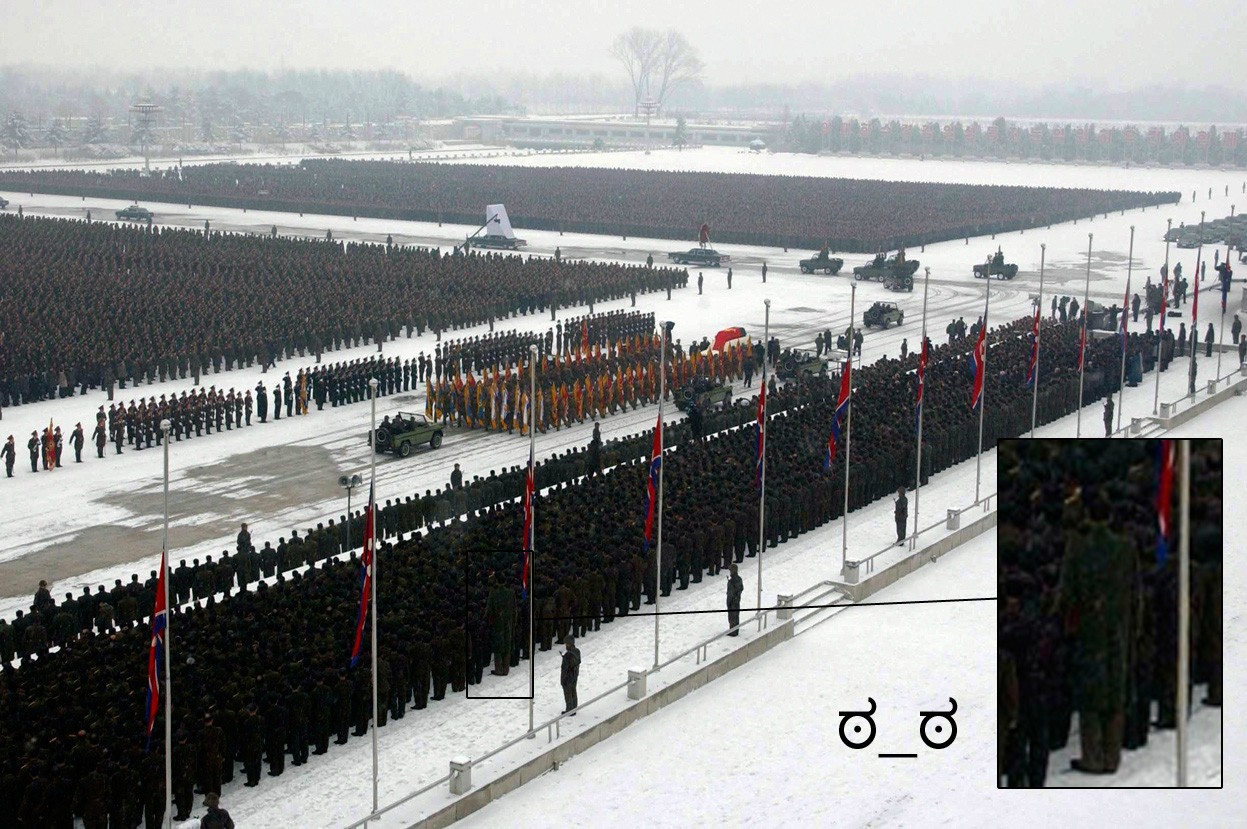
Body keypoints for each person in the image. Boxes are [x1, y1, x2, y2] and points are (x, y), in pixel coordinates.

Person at [560, 635, 580, 715]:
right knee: (573, 691)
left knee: (568, 693)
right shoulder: (577, 651)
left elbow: (566, 667)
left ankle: (569, 710)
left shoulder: (568, 655)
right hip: (575, 675)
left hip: (568, 676)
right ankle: (574, 707)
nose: (566, 645)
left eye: (567, 644)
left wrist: (562, 679)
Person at [726, 563, 744, 636]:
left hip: (732, 601)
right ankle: (735, 630)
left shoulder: (732, 581)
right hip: (737, 600)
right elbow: (741, 588)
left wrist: (728, 602)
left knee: (732, 616)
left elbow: (730, 593)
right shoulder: (739, 579)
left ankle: (733, 632)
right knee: (736, 615)